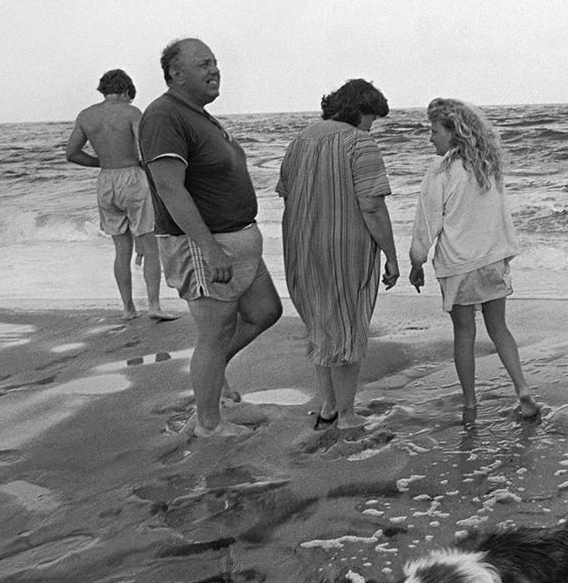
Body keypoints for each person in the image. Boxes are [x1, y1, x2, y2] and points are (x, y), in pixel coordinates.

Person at [140, 38, 283, 438]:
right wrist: (209, 248)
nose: (214, 70)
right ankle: (208, 423)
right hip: (206, 245)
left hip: (236, 240)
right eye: (203, 63)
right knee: (214, 332)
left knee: (265, 311)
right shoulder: (164, 116)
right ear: (176, 73)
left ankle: (213, 375)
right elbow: (169, 188)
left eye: (216, 62)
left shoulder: (198, 115)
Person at [276, 80, 399, 432]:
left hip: (300, 244)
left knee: (320, 326)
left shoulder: (299, 140)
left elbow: (286, 193)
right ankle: (347, 416)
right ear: (360, 111)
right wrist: (390, 255)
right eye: (371, 119)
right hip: (345, 246)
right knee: (346, 327)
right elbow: (372, 205)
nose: (371, 126)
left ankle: (328, 407)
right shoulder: (358, 141)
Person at [409, 98, 540, 427]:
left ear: (453, 132)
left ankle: (470, 404)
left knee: (464, 334)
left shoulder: (440, 173)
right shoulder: (487, 167)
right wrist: (505, 253)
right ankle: (522, 390)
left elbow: (427, 224)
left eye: (434, 130)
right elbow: (502, 217)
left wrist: (417, 261)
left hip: (459, 265)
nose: (430, 138)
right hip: (492, 260)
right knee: (499, 328)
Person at [65, 69, 175, 322]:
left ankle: (127, 309)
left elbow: (71, 153)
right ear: (127, 90)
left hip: (106, 180)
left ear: (104, 90)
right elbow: (146, 148)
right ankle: (154, 306)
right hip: (132, 178)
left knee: (121, 249)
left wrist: (101, 162)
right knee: (149, 246)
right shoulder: (131, 113)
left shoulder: (86, 115)